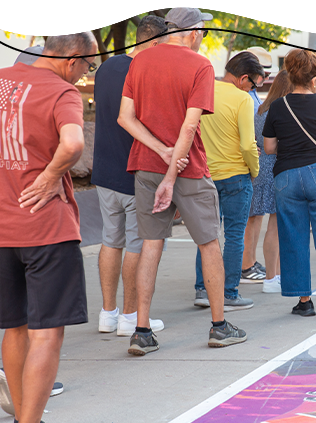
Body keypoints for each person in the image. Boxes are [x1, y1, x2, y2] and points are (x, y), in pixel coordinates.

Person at [0, 20, 97, 423]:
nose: (85, 76)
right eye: (85, 66)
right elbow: (73, 143)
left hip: (1, 224)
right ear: (70, 59)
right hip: (46, 226)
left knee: (17, 327)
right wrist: (49, 177)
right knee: (49, 332)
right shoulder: (62, 93)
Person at [118, 3, 247, 351]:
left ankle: (141, 331)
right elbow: (190, 126)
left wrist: (160, 152)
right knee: (209, 243)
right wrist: (172, 171)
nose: (203, 37)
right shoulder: (200, 65)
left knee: (150, 244)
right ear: (192, 33)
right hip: (188, 169)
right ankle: (219, 325)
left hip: (145, 164)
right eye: (202, 31)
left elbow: (125, 118)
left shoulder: (141, 60)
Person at [93, 16, 170, 338]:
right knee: (138, 244)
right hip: (136, 171)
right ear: (154, 42)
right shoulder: (147, 73)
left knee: (111, 240)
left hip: (103, 169)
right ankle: (130, 316)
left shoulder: (107, 68)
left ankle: (107, 314)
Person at [262, 49, 316, 317]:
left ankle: (304, 301)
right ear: (314, 80)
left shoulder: (278, 106)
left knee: (293, 238)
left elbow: (268, 148)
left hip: (286, 176)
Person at [194, 52, 264, 312]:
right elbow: (248, 144)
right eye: (253, 84)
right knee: (234, 236)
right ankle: (229, 293)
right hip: (236, 176)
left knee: (207, 237)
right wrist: (255, 170)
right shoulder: (241, 98)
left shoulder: (202, 89)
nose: (252, 90)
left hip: (205, 175)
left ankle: (203, 289)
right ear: (243, 78)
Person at [250, 71, 292, 293]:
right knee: (276, 226)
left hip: (260, 170)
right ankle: (272, 277)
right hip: (276, 168)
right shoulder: (281, 110)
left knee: (268, 223)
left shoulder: (261, 108)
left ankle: (272, 275)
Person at [240, 46, 279, 283]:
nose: (264, 78)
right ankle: (246, 265)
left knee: (255, 215)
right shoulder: (245, 95)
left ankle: (250, 261)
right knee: (251, 216)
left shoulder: (252, 95)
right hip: (252, 161)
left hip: (259, 161)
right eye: (261, 73)